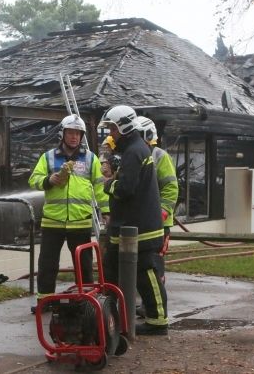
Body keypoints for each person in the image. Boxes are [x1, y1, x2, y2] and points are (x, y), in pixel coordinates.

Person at [97, 105, 169, 336]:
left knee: (146, 275)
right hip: (125, 225)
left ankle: (157, 322)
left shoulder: (135, 151)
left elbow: (126, 188)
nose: (110, 133)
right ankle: (110, 315)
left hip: (141, 227)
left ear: (123, 127)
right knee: (110, 270)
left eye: (112, 128)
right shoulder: (130, 148)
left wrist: (108, 184)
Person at [28, 114, 109, 311]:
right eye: (70, 133)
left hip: (80, 221)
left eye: (78, 134)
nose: (74, 137)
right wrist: (49, 180)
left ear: (82, 136)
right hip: (52, 221)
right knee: (48, 265)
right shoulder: (48, 157)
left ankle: (86, 302)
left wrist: (106, 211)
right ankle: (44, 302)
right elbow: (33, 180)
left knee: (84, 265)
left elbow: (100, 188)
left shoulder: (91, 159)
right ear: (63, 134)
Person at [134, 116, 179, 253]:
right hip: (138, 219)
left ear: (147, 135)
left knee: (154, 261)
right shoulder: (133, 155)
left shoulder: (160, 156)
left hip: (158, 222)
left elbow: (171, 187)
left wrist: (162, 211)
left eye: (137, 135)